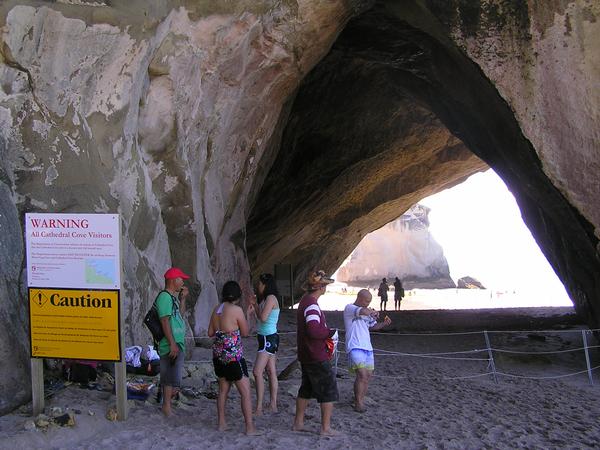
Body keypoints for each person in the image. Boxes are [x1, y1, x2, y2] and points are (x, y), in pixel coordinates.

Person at [208, 281, 261, 435]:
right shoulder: (236, 310)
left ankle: (221, 423)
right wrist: (248, 315)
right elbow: (245, 332)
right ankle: (250, 427)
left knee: (223, 390)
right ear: (238, 295)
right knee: (245, 392)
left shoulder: (216, 309)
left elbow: (210, 333)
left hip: (218, 356)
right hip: (233, 357)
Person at [292, 270, 339, 436]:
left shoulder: (305, 301)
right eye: (324, 285)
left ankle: (298, 423)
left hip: (306, 353)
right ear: (321, 287)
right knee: (328, 389)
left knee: (306, 388)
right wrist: (329, 332)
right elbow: (313, 330)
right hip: (315, 354)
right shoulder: (312, 304)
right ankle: (325, 428)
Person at [343, 289, 391, 412]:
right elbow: (363, 311)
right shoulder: (350, 308)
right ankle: (358, 403)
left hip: (367, 347)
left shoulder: (367, 313)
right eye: (366, 301)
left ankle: (359, 399)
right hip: (354, 346)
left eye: (369, 302)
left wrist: (384, 323)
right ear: (359, 298)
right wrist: (372, 312)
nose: (367, 304)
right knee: (362, 374)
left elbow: (373, 326)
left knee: (367, 376)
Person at [157, 267, 190, 417]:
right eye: (180, 279)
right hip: (170, 343)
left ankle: (166, 405)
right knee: (169, 377)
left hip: (176, 342)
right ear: (172, 280)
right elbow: (164, 321)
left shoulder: (172, 298)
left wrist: (182, 299)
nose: (182, 282)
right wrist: (172, 343)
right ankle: (166, 407)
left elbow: (179, 316)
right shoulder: (164, 297)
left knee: (172, 377)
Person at [248, 273, 280, 415]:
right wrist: (255, 305)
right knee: (271, 371)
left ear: (265, 284)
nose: (258, 286)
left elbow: (263, 317)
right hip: (267, 337)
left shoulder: (271, 298)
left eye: (260, 284)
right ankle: (273, 404)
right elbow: (261, 317)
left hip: (268, 338)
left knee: (257, 372)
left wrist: (255, 306)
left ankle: (259, 407)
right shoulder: (267, 298)